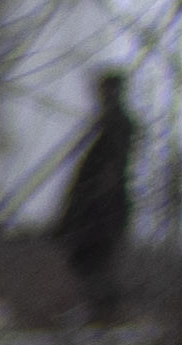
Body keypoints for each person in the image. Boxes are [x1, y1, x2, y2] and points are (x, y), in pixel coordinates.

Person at [60, 76, 142, 320]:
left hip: (102, 210)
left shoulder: (120, 126)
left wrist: (96, 204)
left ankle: (107, 313)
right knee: (84, 259)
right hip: (92, 209)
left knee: (95, 260)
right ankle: (101, 311)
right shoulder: (105, 126)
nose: (102, 98)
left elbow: (112, 171)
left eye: (106, 92)